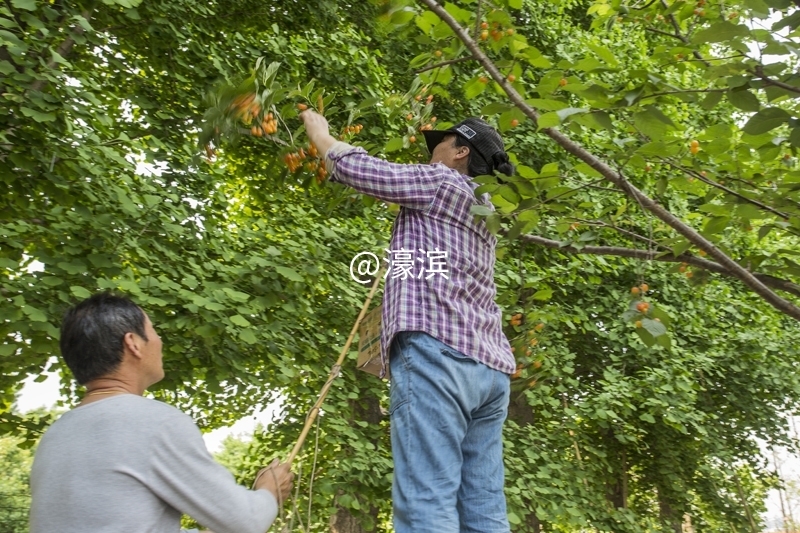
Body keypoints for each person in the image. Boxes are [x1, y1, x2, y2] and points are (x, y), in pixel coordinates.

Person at [301, 111, 516, 533]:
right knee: (483, 506)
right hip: (490, 370)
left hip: (439, 359)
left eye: (440, 142)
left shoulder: (440, 181)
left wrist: (320, 135)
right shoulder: (486, 211)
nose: (430, 149)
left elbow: (364, 171)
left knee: (426, 503)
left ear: (460, 152)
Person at [29, 293, 294, 533]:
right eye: (153, 330)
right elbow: (246, 522)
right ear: (133, 343)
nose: (159, 341)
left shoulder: (56, 434)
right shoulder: (153, 422)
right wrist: (268, 490)